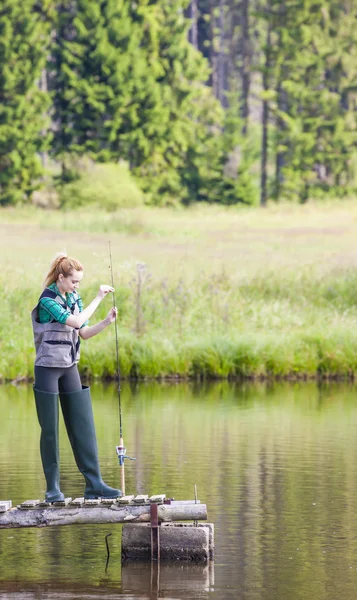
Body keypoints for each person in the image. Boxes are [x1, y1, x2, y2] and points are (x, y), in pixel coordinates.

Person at [31, 253, 122, 502]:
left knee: (83, 425)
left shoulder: (73, 298)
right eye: (74, 282)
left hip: (69, 365)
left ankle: (95, 485)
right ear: (61, 278)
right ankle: (53, 490)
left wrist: (105, 321)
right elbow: (75, 320)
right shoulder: (47, 300)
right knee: (50, 431)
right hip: (47, 368)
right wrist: (99, 297)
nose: (76, 286)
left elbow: (84, 332)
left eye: (79, 283)